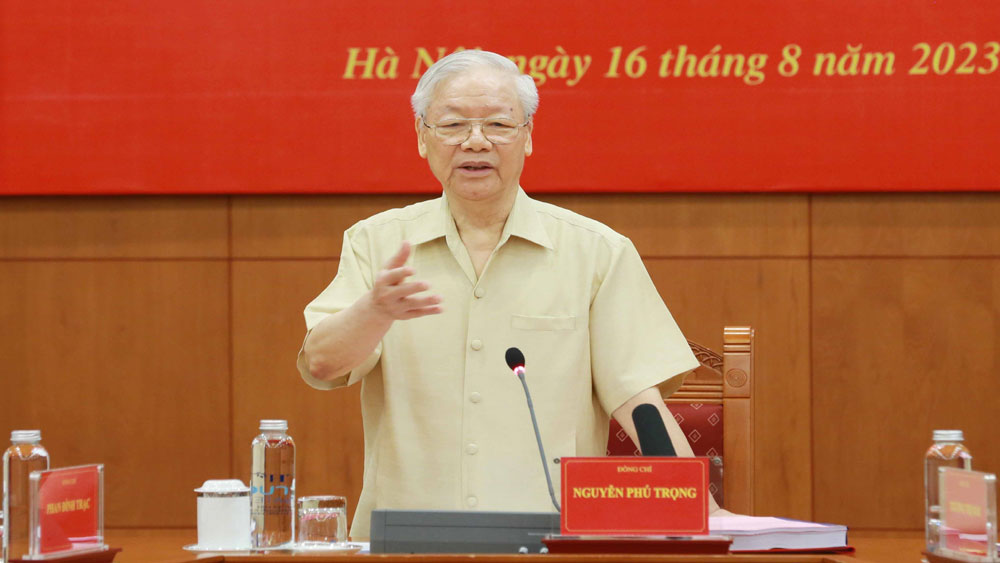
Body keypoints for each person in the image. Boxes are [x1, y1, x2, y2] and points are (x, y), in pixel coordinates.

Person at [297, 50, 705, 540]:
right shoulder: (376, 244)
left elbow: (638, 399)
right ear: (422, 138)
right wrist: (374, 311)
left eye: (498, 124)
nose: (475, 141)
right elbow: (321, 366)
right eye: (452, 125)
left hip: (553, 537)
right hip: (407, 539)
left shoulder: (597, 252)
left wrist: (702, 509)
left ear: (528, 137)